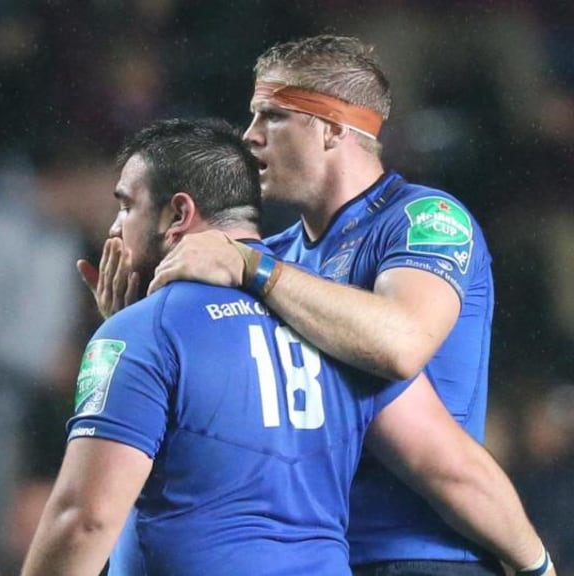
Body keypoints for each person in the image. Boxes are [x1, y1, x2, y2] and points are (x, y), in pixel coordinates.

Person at [28, 118, 553, 576]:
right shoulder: (338, 329)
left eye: (126, 207)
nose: (115, 228)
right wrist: (537, 562)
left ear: (178, 214)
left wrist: (127, 333)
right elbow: (449, 464)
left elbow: (85, 520)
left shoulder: (144, 335)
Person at [131, 36, 523, 575]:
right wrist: (134, 327)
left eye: (272, 115)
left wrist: (257, 271)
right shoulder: (279, 254)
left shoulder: (425, 219)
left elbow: (400, 342)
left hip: (422, 554)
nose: (249, 136)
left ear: (334, 128)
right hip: (316, 555)